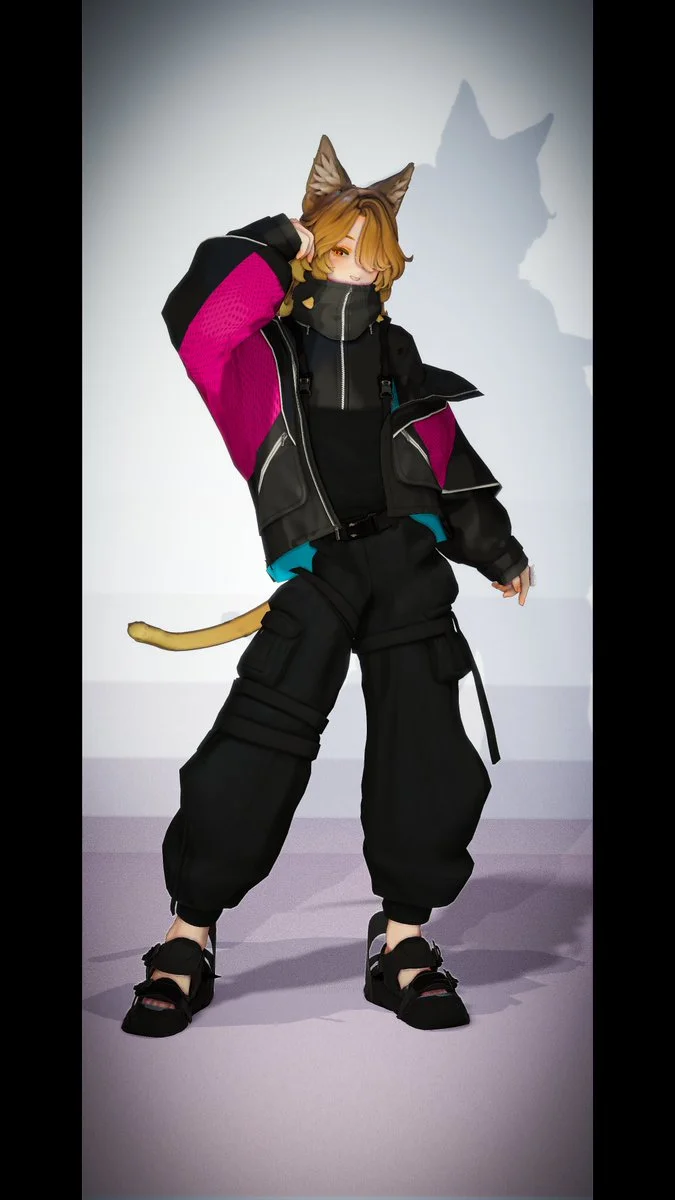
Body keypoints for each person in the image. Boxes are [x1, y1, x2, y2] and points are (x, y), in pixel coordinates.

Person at [122, 135, 533, 1037]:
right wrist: (283, 236)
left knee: (427, 746)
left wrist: (494, 548)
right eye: (341, 248)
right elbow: (194, 311)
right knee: (258, 737)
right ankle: (190, 933)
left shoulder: (398, 354)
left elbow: (442, 452)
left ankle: (403, 940)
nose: (357, 268)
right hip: (319, 566)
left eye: (372, 255)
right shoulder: (254, 351)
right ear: (313, 250)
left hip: (407, 566)